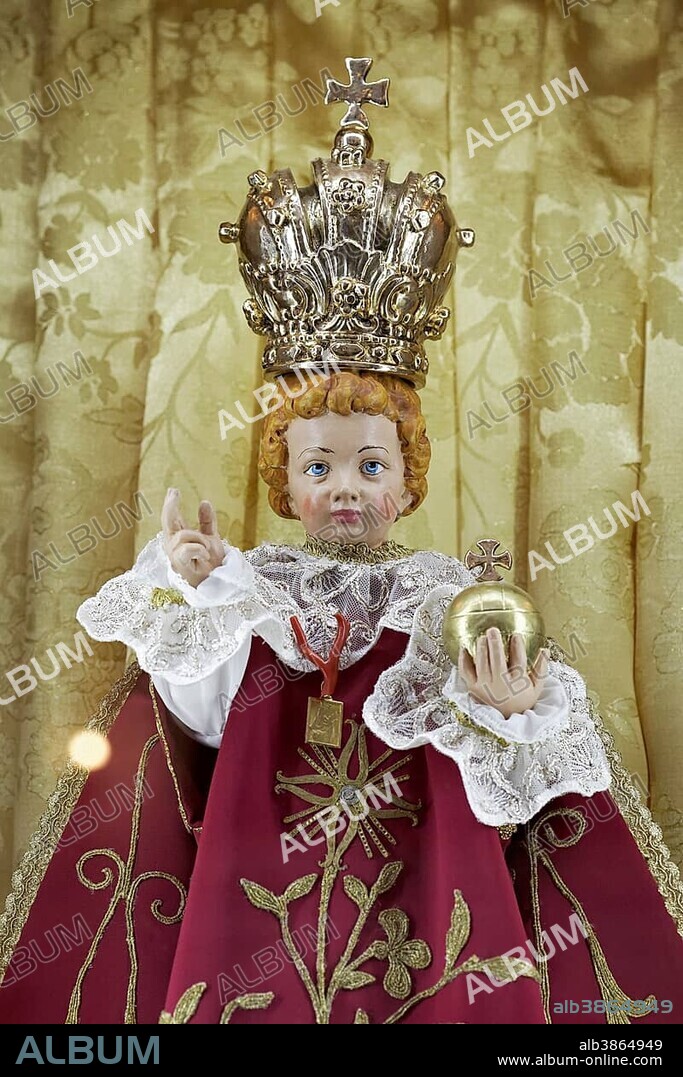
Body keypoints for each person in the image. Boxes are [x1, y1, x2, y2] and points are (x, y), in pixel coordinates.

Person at [1, 57, 682, 1027]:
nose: (346, 489)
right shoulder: (254, 587)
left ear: (407, 479)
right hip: (254, 883)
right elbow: (192, 732)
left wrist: (507, 712)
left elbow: (512, 801)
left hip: (427, 886)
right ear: (285, 479)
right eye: (319, 466)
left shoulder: (446, 597)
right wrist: (196, 595)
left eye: (370, 465)